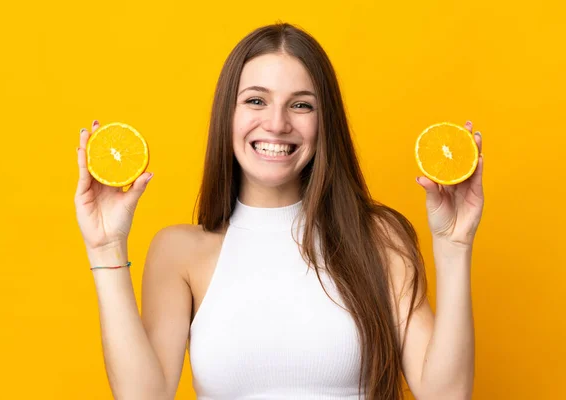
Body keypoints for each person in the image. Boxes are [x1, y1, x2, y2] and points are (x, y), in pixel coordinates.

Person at [75, 23, 483, 400]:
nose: (276, 123)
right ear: (227, 114)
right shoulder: (178, 252)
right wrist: (105, 247)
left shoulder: (378, 237)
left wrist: (454, 244)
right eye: (256, 100)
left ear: (326, 122)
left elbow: (445, 394)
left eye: (301, 105)